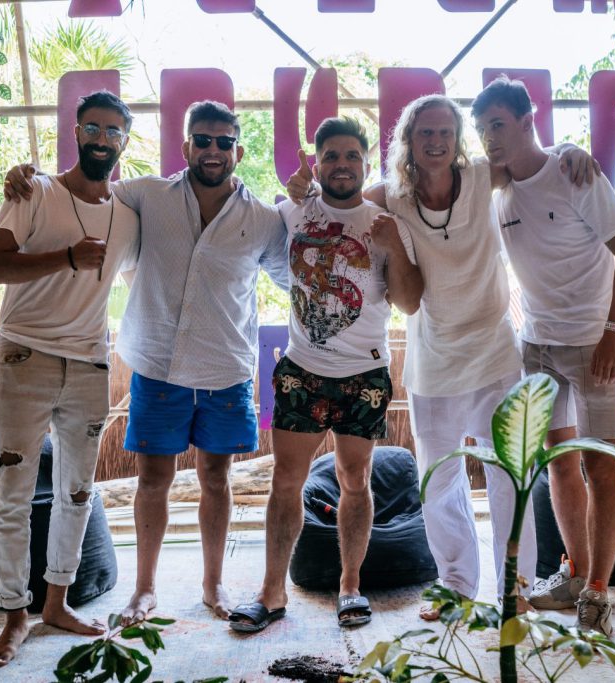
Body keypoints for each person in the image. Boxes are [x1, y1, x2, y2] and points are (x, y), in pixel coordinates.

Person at [286, 95, 597, 621]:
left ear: (457, 139)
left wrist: (569, 147)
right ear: (408, 141)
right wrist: (305, 190)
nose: (435, 141)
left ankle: (514, 588)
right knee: (440, 484)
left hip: (495, 354)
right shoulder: (392, 196)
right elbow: (342, 199)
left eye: (444, 132)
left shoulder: (482, 175)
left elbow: (532, 159)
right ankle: (455, 586)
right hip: (433, 361)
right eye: (424, 133)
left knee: (511, 477)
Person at [4, 101, 288, 625]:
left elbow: (292, 279)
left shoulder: (264, 220)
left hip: (226, 368)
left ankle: (213, 584)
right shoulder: (146, 195)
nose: (213, 150)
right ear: (185, 146)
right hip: (158, 365)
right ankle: (144, 590)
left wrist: (307, 211)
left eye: (224, 142)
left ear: (239, 150)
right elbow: (85, 189)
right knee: (153, 480)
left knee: (216, 478)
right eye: (202, 140)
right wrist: (30, 176)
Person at [229, 117, 422, 633]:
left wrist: (394, 246)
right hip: (303, 370)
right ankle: (271, 592)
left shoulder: (385, 223)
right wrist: (293, 189)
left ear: (366, 164)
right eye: (331, 155)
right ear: (317, 165)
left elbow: (408, 302)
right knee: (285, 480)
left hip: (365, 374)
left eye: (351, 155)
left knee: (355, 480)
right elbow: (249, 237)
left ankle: (350, 586)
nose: (342, 164)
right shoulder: (291, 210)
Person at [473, 76, 615, 635]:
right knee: (559, 463)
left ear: (528, 121)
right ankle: (576, 574)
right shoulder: (497, 190)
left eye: (499, 125)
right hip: (538, 344)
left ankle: (598, 592)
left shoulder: (575, 173)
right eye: (483, 129)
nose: (490, 138)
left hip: (595, 343)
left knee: (601, 466)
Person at [0, 90, 139, 667]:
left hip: (91, 364)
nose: (101, 139)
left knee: (78, 492)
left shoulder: (130, 215)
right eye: (92, 127)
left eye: (113, 131)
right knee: (12, 495)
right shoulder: (36, 191)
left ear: (125, 141)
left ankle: (56, 604)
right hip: (25, 357)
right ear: (75, 131)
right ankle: (13, 616)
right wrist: (67, 257)